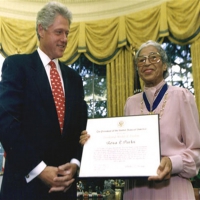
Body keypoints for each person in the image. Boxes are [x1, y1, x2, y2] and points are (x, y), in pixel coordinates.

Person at [80, 40, 200, 199]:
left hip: (173, 187)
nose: (147, 63)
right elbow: (122, 146)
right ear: (137, 69)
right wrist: (93, 143)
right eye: (141, 60)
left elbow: (196, 152)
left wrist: (173, 163)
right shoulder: (131, 103)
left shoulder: (182, 97)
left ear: (164, 65)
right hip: (136, 190)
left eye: (153, 57)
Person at [0, 2, 87, 200]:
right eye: (59, 32)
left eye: (67, 33)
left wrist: (75, 163)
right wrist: (39, 170)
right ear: (41, 29)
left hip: (65, 189)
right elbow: (6, 124)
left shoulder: (74, 79)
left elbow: (81, 128)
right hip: (25, 189)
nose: (65, 39)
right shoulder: (17, 67)